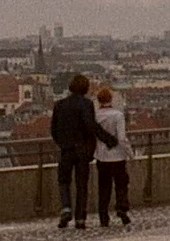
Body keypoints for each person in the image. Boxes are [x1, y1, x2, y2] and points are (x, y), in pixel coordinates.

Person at [49, 73, 115, 229]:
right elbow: (91, 126)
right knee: (81, 184)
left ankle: (66, 207)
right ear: (85, 88)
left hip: (66, 149)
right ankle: (80, 218)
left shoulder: (60, 104)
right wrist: (108, 139)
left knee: (63, 181)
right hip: (82, 150)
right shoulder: (86, 104)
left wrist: (62, 143)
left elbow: (53, 129)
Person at [93, 86, 132, 227]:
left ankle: (103, 216)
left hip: (102, 157)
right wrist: (130, 153)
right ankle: (121, 207)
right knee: (121, 184)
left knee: (104, 187)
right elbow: (122, 138)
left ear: (98, 100)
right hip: (118, 157)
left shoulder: (95, 116)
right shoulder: (118, 115)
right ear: (111, 99)